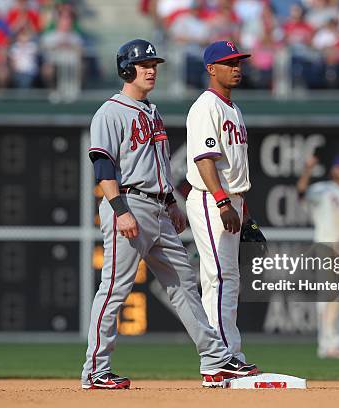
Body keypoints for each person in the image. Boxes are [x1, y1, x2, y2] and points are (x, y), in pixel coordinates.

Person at [81, 39, 258, 390]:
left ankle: (215, 359)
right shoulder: (110, 112)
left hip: (160, 208)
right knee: (115, 288)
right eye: (144, 64)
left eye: (154, 64)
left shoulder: (152, 111)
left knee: (184, 286)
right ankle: (95, 370)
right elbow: (103, 168)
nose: (151, 70)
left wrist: (173, 203)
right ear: (125, 70)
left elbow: (160, 165)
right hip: (128, 205)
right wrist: (120, 211)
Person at [185, 40, 252, 364]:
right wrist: (224, 202)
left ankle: (225, 355)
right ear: (211, 69)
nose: (236, 68)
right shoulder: (206, 106)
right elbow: (204, 160)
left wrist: (239, 203)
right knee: (219, 279)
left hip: (230, 200)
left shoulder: (233, 109)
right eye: (229, 63)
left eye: (238, 62)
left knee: (228, 280)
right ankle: (221, 358)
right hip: (213, 200)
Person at [297, 153, 339, 359]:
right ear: (334, 169)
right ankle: (328, 345)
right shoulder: (322, 189)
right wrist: (307, 169)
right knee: (332, 297)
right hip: (329, 245)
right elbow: (301, 193)